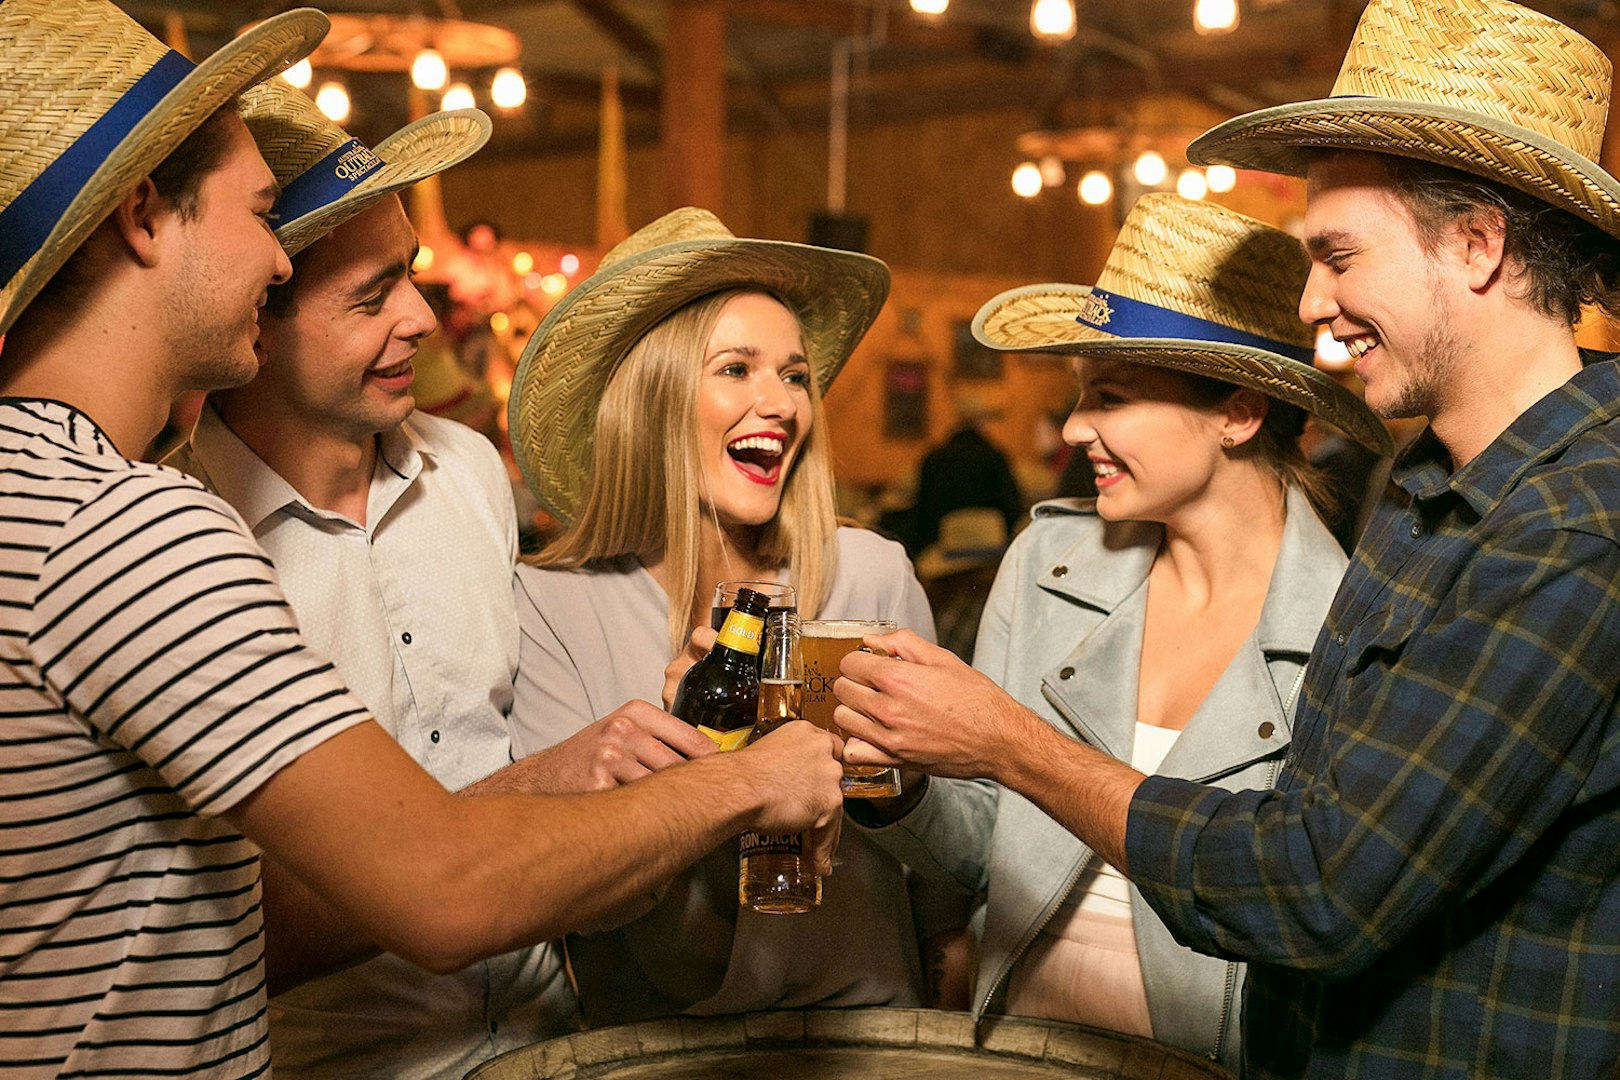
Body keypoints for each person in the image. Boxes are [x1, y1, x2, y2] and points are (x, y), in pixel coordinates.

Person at [0, 5, 844, 1076]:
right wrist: (746, 783)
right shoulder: (131, 526)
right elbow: (440, 889)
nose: (270, 259)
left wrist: (555, 778)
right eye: (261, 214)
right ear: (140, 215)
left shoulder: (37, 492)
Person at [836, 0, 1620, 1075]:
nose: (1312, 302)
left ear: (1479, 244)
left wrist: (1007, 740)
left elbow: (1320, 888)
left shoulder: (1575, 527)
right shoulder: (1428, 486)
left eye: (1339, 256)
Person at [167, 79, 681, 1079]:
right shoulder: (185, 535)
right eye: (370, 297)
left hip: (548, 1040)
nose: (421, 319)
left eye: (409, 275)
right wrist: (548, 786)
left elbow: (524, 723)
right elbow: (209, 924)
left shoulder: (471, 472)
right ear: (253, 315)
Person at [845, 193, 1390, 1071]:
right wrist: (892, 780)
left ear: (1239, 414)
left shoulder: (1352, 624)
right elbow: (987, 849)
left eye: (1113, 397)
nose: (1072, 430)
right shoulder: (1049, 563)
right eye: (1078, 396)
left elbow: (1313, 907)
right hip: (1016, 1047)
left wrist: (1000, 739)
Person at [504, 207, 954, 1025]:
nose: (779, 404)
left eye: (793, 374)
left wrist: (896, 777)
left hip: (867, 1035)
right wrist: (707, 775)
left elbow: (954, 858)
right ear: (656, 397)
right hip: (654, 1050)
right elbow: (568, 898)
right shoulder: (553, 604)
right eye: (737, 368)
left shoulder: (871, 576)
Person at [907, 389, 1024, 556]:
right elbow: (1011, 507)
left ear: (957, 420)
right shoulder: (995, 456)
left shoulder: (934, 458)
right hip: (991, 554)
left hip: (943, 553)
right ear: (981, 422)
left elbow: (922, 515)